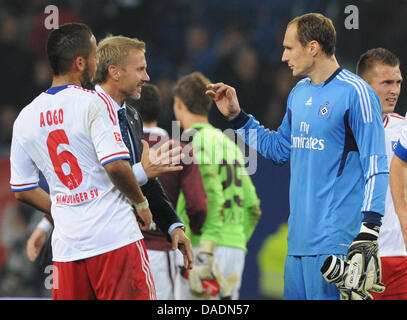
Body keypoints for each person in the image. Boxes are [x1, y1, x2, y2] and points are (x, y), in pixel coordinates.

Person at [205, 13, 388, 300]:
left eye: (289, 48)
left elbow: (377, 164)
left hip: (335, 244)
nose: (282, 56)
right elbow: (280, 150)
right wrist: (238, 119)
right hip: (298, 243)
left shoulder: (357, 93)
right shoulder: (298, 94)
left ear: (313, 47)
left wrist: (370, 230)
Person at [11, 23, 191, 300]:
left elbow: (22, 189)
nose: (98, 63)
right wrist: (141, 202)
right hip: (115, 240)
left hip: (67, 250)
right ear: (80, 62)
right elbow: (115, 167)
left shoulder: (25, 117)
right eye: (95, 56)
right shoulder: (94, 103)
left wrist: (58, 213)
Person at [173, 71, 261, 300]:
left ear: (179, 104)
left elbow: (199, 200)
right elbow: (253, 206)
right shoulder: (228, 143)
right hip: (234, 248)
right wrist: (235, 238)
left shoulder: (189, 145)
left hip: (200, 247)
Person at [128, 83, 207, 300]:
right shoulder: (180, 151)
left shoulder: (116, 148)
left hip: (120, 250)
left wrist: (44, 224)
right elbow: (197, 206)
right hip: (161, 253)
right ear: (161, 110)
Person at [357, 48, 407, 299]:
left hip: (401, 260)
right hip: (358, 259)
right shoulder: (340, 133)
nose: (395, 90)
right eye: (387, 82)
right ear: (364, 87)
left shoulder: (404, 130)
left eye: (398, 82)